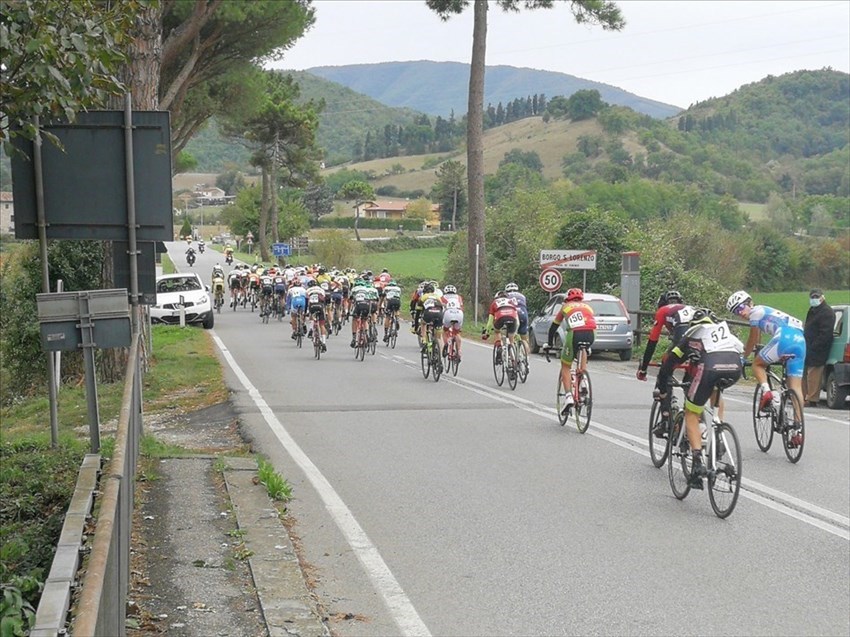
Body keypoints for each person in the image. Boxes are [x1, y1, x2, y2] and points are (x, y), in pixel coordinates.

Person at [654, 308, 744, 490]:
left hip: (709, 368)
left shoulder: (690, 336)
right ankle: (718, 428)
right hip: (734, 367)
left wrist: (663, 387)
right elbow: (742, 351)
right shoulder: (724, 331)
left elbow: (670, 363)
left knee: (691, 413)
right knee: (716, 388)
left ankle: (696, 463)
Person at [727, 290, 806, 446]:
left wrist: (743, 357)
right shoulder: (766, 311)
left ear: (750, 303)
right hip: (800, 340)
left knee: (757, 364)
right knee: (795, 387)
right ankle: (797, 430)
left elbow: (753, 337)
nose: (741, 313)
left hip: (784, 337)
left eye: (741, 307)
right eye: (736, 311)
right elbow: (761, 339)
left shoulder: (756, 312)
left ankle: (768, 393)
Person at [544, 288, 596, 415]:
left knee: (565, 366)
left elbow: (554, 327)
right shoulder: (588, 307)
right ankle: (583, 380)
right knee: (583, 349)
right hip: (591, 334)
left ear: (568, 299)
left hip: (575, 334)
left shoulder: (565, 307)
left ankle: (568, 397)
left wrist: (549, 344)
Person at [803, 288, 835, 407]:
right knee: (805, 373)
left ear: (822, 297)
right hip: (808, 346)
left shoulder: (827, 312)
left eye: (816, 297)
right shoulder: (813, 310)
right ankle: (804, 396)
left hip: (818, 349)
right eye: (812, 297)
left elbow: (825, 334)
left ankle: (812, 399)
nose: (814, 299)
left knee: (814, 375)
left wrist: (814, 346)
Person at [504, 282, 530, 358]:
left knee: (511, 338)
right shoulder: (522, 296)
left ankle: (513, 359)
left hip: (512, 315)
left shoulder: (506, 296)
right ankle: (526, 358)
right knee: (524, 338)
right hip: (523, 314)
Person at [441, 284, 464, 360]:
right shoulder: (459, 297)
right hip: (459, 313)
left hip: (448, 313)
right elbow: (461, 307)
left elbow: (441, 308)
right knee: (457, 333)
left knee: (445, 330)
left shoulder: (443, 297)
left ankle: (446, 344)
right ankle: (459, 351)